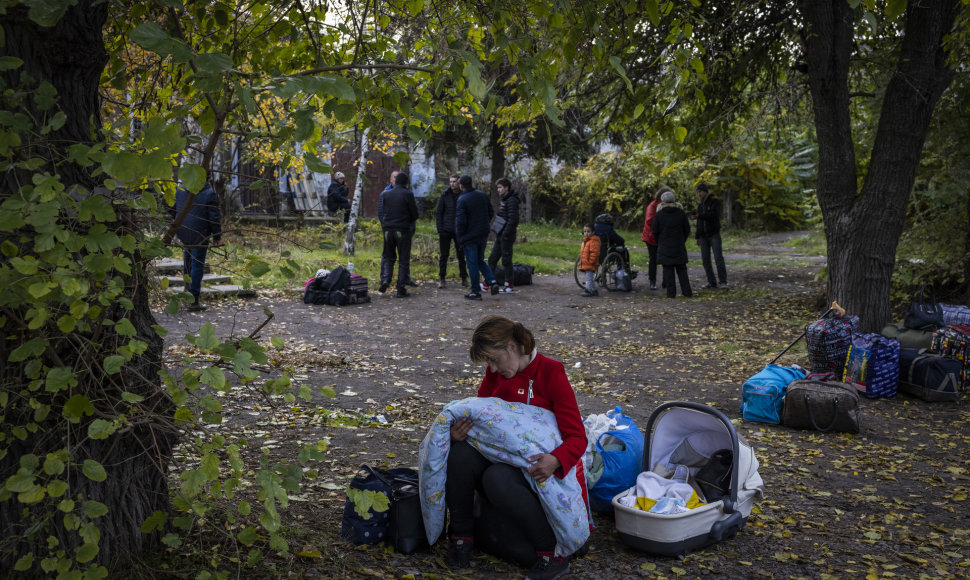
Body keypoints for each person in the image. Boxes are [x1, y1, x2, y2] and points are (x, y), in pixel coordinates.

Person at [445, 315, 589, 579]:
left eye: (494, 359)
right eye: (487, 362)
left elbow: (578, 437)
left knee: (496, 476)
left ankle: (551, 556)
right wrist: (458, 435)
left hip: (537, 466)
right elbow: (482, 416)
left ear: (511, 346)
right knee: (460, 454)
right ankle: (462, 537)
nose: (492, 367)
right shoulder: (494, 374)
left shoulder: (551, 371)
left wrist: (555, 460)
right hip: (501, 456)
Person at [171, 180, 222, 312]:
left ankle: (187, 291)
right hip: (200, 232)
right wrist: (217, 236)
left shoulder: (181, 189)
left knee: (187, 259)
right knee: (197, 263)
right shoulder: (209, 193)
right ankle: (193, 300)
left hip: (183, 229)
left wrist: (179, 222)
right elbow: (213, 217)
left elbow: (172, 208)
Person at [455, 175, 500, 300]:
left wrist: (460, 236)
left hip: (469, 236)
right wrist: (484, 224)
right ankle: (492, 281)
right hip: (483, 233)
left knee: (472, 263)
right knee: (480, 260)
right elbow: (490, 212)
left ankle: (475, 291)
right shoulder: (482, 195)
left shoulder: (462, 199)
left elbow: (461, 222)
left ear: (461, 185)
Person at [378, 172, 419, 297]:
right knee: (403, 259)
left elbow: (382, 212)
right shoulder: (408, 194)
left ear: (395, 182)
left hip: (387, 230)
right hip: (402, 230)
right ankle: (400, 289)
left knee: (388, 256)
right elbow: (415, 214)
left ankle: (385, 280)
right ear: (406, 183)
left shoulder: (385, 194)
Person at [652, 190, 693, 298]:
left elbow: (655, 231)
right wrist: (681, 239)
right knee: (682, 270)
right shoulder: (681, 213)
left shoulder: (659, 214)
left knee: (668, 270)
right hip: (679, 245)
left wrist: (660, 241)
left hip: (664, 245)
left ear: (662, 201)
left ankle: (671, 293)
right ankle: (687, 292)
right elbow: (687, 229)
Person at [486, 178, 520, 294]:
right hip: (501, 235)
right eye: (497, 188)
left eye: (500, 187)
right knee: (492, 259)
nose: (498, 190)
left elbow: (513, 220)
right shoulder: (505, 200)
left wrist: (505, 234)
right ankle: (487, 282)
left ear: (506, 188)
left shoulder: (511, 201)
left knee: (506, 260)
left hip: (506, 236)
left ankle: (509, 285)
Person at [435, 174, 468, 289]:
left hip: (459, 230)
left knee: (461, 255)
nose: (452, 183)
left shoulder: (463, 195)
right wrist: (440, 228)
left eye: (454, 181)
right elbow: (439, 212)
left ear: (459, 183)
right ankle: (442, 279)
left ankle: (464, 278)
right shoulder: (445, 194)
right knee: (444, 255)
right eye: (450, 181)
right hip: (446, 229)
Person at [693, 182, 727, 289]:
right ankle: (711, 281)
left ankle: (723, 282)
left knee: (718, 258)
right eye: (698, 192)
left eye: (700, 192)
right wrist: (697, 236)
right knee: (705, 260)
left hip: (713, 234)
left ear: (705, 191)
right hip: (703, 236)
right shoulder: (700, 204)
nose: (699, 194)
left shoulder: (714, 201)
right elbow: (699, 222)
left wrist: (700, 216)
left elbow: (713, 215)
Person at [641, 187, 667, 291]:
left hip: (663, 236)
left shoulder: (667, 205)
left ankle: (666, 281)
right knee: (653, 259)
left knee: (665, 259)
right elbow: (649, 221)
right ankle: (652, 281)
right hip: (651, 236)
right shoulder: (653, 206)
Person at [578, 223, 601, 298]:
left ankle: (588, 290)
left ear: (593, 232)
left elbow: (595, 253)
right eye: (585, 231)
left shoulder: (593, 241)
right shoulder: (586, 241)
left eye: (588, 231)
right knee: (589, 277)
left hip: (590, 263)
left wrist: (591, 261)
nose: (586, 233)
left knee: (589, 278)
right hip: (586, 263)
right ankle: (594, 290)